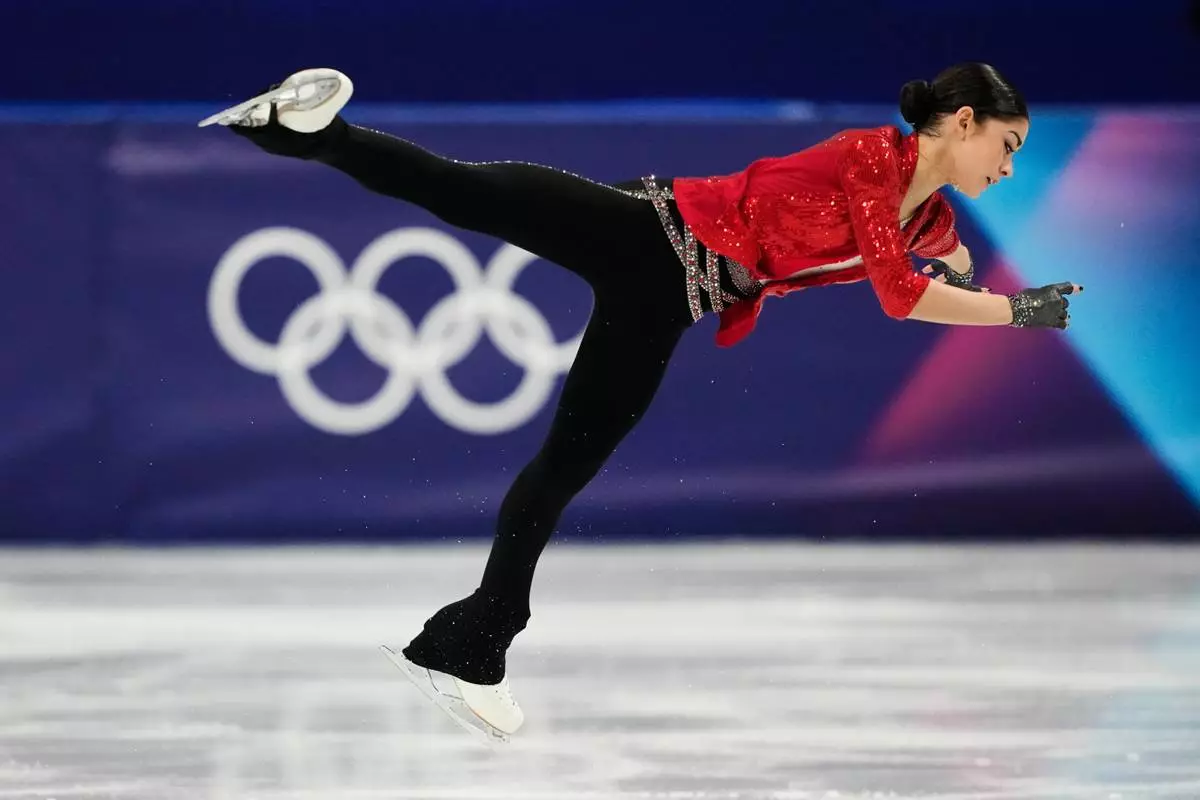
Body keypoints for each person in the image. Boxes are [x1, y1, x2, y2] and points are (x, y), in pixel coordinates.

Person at [212, 62, 1081, 743]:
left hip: (668, 299)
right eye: (1006, 144)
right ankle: (301, 130)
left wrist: (968, 271)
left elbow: (931, 262)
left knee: (564, 466)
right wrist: (1013, 309)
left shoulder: (928, 220)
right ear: (960, 123)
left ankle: (469, 645)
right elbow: (899, 293)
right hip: (648, 233)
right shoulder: (870, 157)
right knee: (458, 189)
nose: (1010, 165)